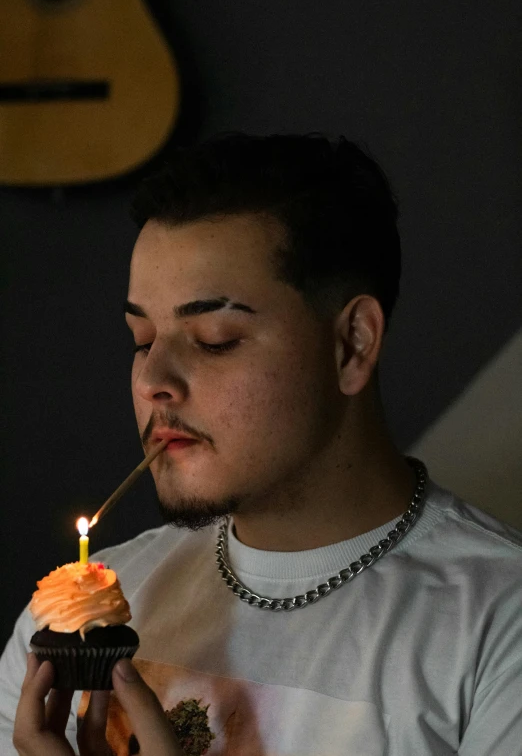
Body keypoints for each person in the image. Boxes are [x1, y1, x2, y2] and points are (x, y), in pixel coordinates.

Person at [1, 133, 521, 756]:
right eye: (142, 339)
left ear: (351, 344)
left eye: (214, 339)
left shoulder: (497, 629)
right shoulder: (76, 625)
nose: (151, 381)